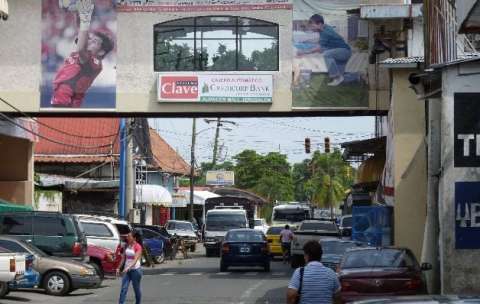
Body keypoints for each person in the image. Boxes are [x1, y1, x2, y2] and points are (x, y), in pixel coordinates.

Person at [50, 0, 114, 107]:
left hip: (67, 101)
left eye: (94, 41)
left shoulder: (95, 63)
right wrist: (77, 11)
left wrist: (85, 19)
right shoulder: (86, 53)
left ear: (102, 51)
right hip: (62, 98)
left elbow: (80, 48)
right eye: (91, 39)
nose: (90, 41)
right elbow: (81, 29)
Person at [297, 14, 352, 87]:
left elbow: (319, 48)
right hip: (343, 52)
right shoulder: (325, 27)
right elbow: (322, 42)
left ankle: (336, 76)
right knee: (341, 78)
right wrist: (309, 42)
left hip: (344, 52)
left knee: (327, 54)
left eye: (313, 26)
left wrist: (304, 52)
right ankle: (358, 76)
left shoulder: (325, 32)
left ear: (319, 24)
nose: (312, 28)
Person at [118, 232, 143, 304]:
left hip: (136, 270)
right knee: (123, 289)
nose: (127, 238)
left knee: (136, 289)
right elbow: (123, 258)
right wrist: (118, 268)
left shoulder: (138, 247)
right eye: (127, 236)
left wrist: (128, 267)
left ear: (134, 238)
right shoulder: (126, 246)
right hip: (127, 271)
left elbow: (135, 260)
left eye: (129, 236)